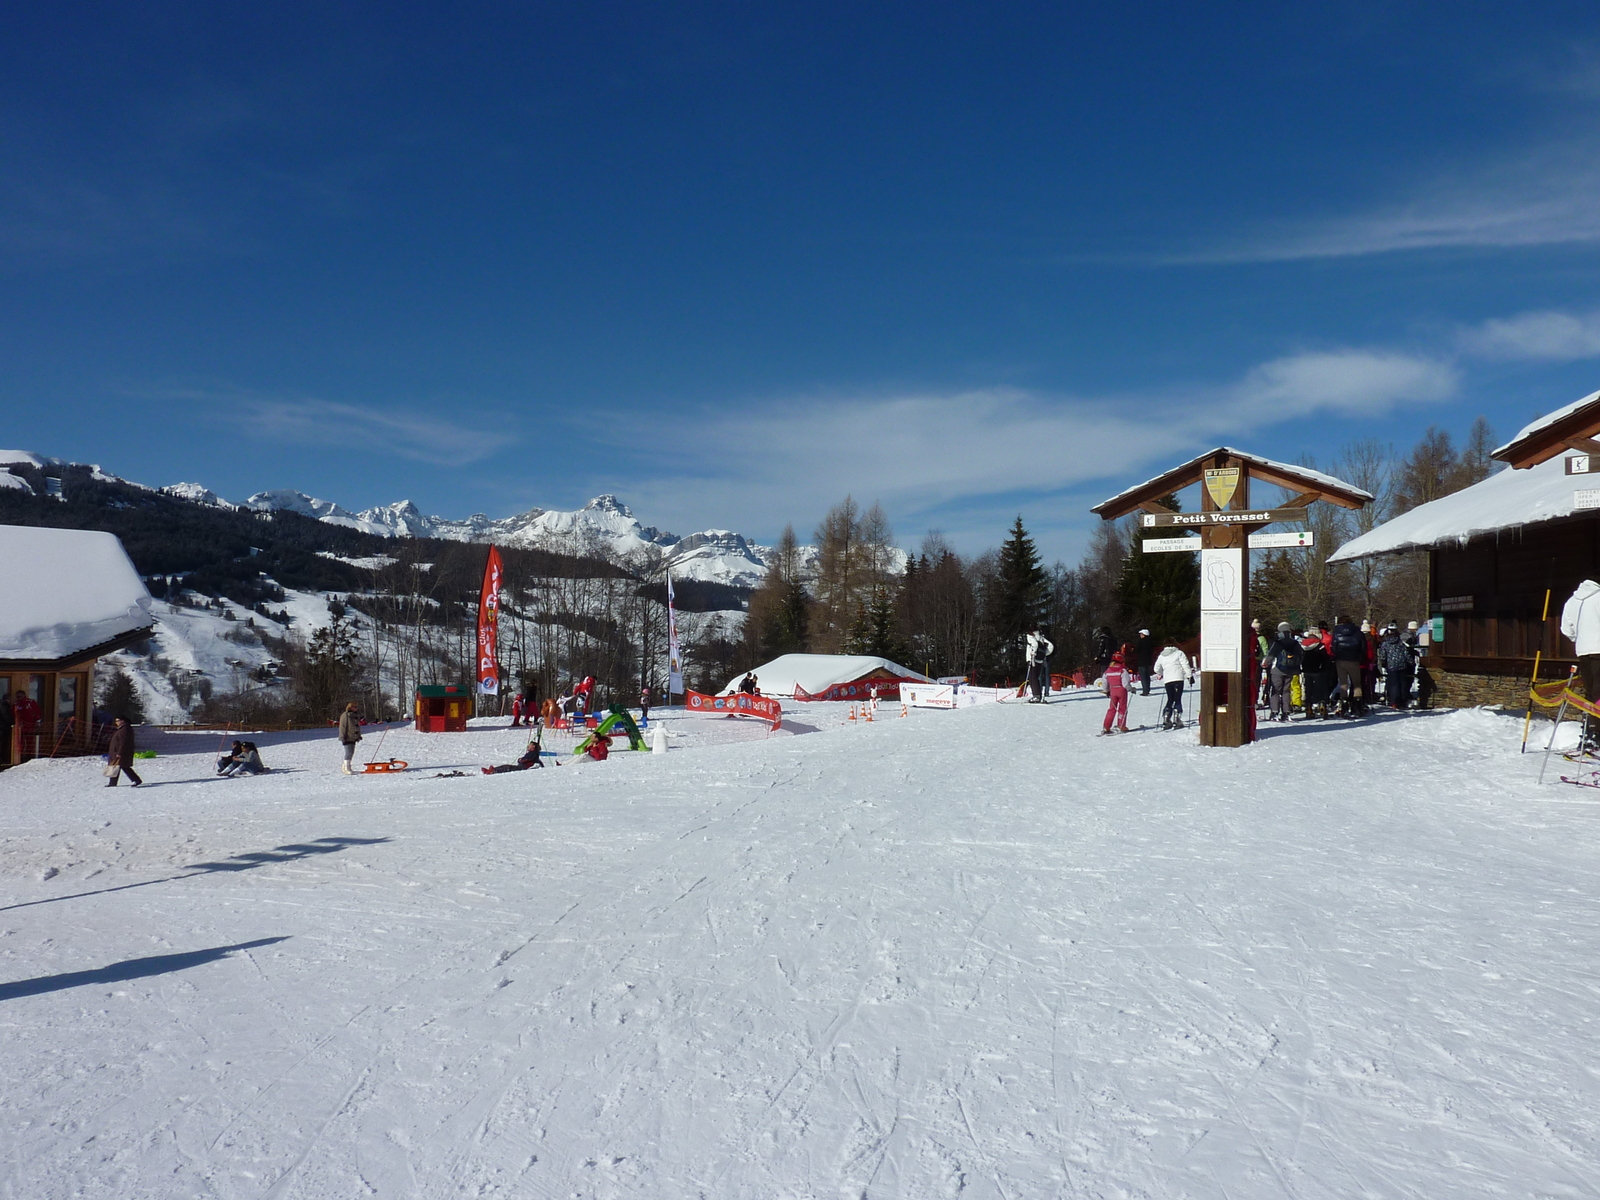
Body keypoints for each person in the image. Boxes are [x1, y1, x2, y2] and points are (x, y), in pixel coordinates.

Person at [1562, 580, 1600, 744]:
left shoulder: (1572, 600)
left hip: (1583, 650)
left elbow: (1566, 628)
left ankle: (1590, 729)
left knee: (1590, 691)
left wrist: (1579, 638)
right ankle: (1597, 732)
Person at [1329, 614, 1366, 717]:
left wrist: (1337, 654)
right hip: (1354, 660)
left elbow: (1334, 647)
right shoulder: (1358, 632)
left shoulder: (1336, 632)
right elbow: (1363, 647)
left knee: (1343, 684)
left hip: (1341, 660)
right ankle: (1357, 707)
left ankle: (1344, 708)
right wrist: (1360, 656)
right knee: (1357, 685)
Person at [1265, 621, 1302, 723]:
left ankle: (1274, 712)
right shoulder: (1295, 642)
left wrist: (1265, 663)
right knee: (1286, 691)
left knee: (1276, 691)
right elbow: (1301, 655)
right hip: (1290, 670)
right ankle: (1286, 712)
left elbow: (1271, 655)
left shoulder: (1278, 642)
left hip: (1277, 669)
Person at [1152, 638, 1192, 729]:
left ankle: (1166, 718)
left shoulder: (1161, 656)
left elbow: (1156, 669)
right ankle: (1177, 719)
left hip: (1168, 680)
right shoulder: (1179, 653)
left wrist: (1163, 672)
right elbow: (1185, 664)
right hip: (1178, 679)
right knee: (1177, 699)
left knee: (1170, 699)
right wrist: (1189, 676)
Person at [1378, 624, 1415, 710]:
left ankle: (1394, 701)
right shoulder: (1400, 643)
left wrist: (1383, 663)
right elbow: (1406, 653)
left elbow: (1383, 655)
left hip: (1391, 666)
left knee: (1393, 684)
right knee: (1403, 684)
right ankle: (1402, 701)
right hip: (1402, 665)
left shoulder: (1385, 644)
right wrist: (1411, 662)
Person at [1301, 629, 1336, 719]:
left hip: (1306, 670)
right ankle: (1322, 705)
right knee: (1321, 688)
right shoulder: (1320, 645)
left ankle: (1308, 708)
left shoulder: (1302, 645)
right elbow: (1325, 658)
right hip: (1319, 670)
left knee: (1308, 689)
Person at [1100, 651, 1132, 735]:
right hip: (1121, 690)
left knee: (1111, 709)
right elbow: (1125, 683)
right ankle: (1121, 725)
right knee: (1122, 708)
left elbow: (1104, 682)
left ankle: (1106, 726)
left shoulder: (1108, 670)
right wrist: (1130, 689)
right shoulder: (1122, 670)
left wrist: (1106, 691)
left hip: (1113, 691)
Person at [105, 715, 142, 787]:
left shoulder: (125, 730)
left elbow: (123, 742)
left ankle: (136, 780)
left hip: (120, 752)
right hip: (117, 751)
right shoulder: (122, 729)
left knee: (123, 766)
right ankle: (113, 782)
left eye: (118, 721)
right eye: (116, 721)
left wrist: (120, 752)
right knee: (117, 766)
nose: (116, 722)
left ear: (123, 721)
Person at [1025, 628, 1054, 703]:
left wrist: (1033, 653)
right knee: (1036, 677)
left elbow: (1035, 644)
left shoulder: (1030, 636)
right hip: (1040, 660)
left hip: (1032, 659)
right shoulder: (1040, 637)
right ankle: (1038, 695)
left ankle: (1036, 696)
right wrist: (1044, 654)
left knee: (1032, 678)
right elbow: (1051, 646)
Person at [12, 689, 40, 760]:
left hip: (30, 725)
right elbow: (13, 714)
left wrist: (37, 722)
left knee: (30, 741)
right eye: (17, 696)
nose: (18, 698)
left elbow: (37, 712)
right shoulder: (16, 704)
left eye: (20, 696)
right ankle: (20, 756)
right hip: (19, 726)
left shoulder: (30, 702)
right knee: (20, 741)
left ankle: (29, 756)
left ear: (24, 696)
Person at [338, 701, 363, 775]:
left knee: (351, 752)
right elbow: (343, 727)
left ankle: (346, 766)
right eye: (355, 707)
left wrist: (358, 735)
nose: (356, 708)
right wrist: (342, 736)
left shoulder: (355, 716)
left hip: (353, 737)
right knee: (348, 752)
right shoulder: (345, 715)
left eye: (357, 707)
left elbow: (356, 727)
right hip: (347, 737)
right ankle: (347, 768)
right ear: (350, 707)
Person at [1132, 630, 1154, 697]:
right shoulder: (1151, 642)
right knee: (1147, 676)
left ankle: (1145, 691)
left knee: (1143, 676)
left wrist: (1133, 650)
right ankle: (1148, 689)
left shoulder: (1141, 642)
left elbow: (1137, 650)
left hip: (1142, 661)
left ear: (1144, 634)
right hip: (1148, 661)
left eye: (1141, 634)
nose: (1140, 635)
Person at [0, 691, 12, 767]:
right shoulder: (4, 705)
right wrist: (13, 722)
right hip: (2, 727)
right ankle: (1, 759)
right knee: (2, 743)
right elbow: (6, 715)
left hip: (2, 727)